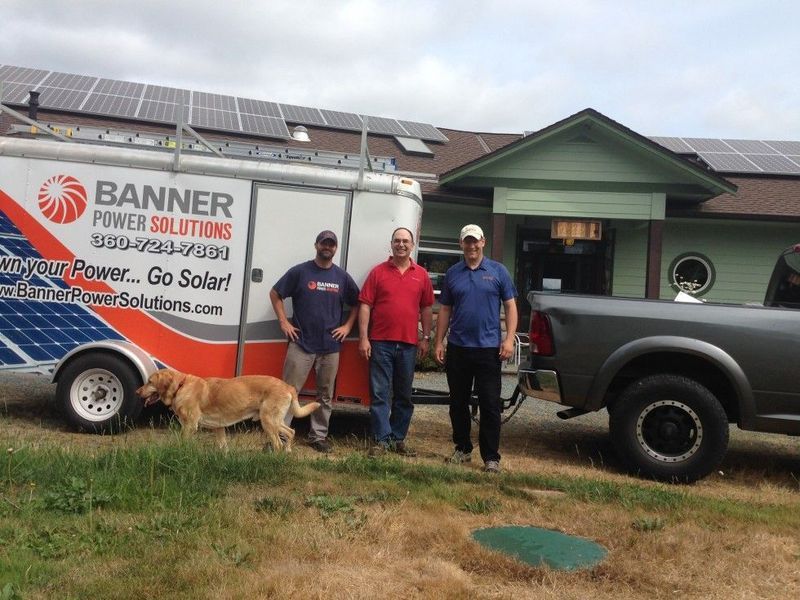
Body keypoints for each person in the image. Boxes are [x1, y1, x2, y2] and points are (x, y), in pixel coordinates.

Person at [434, 224, 518, 473]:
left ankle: (491, 457)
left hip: (489, 349)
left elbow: (511, 306)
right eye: (466, 241)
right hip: (459, 348)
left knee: (490, 404)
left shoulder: (498, 271)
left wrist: (509, 339)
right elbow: (445, 310)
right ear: (461, 245)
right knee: (457, 403)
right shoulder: (452, 273)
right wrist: (439, 341)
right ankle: (462, 449)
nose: (471, 245)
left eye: (475, 241)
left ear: (483, 242)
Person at [270, 230, 359, 453]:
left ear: (335, 248)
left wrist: (348, 327)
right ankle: (279, 436)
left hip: (330, 347)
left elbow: (358, 303)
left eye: (331, 244)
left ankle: (317, 437)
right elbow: (275, 293)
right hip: (301, 344)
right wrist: (284, 322)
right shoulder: (301, 272)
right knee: (288, 393)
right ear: (316, 245)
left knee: (325, 395)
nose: (327, 247)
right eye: (323, 243)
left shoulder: (342, 277)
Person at [358, 227, 434, 456]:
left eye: (405, 241)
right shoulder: (378, 272)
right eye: (397, 241)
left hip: (409, 344)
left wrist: (426, 338)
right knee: (380, 394)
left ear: (412, 245)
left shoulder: (421, 274)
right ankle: (381, 441)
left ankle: (397, 439)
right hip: (380, 342)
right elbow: (365, 305)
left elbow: (427, 307)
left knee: (403, 395)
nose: (401, 244)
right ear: (391, 244)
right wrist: (363, 338)